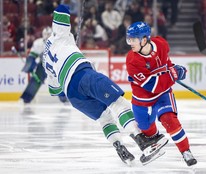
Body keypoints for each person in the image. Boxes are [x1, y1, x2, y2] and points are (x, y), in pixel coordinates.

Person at [42, 5, 168, 165]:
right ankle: (143, 142)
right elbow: (61, 9)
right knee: (119, 103)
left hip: (73, 95)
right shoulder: (59, 35)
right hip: (83, 75)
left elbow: (56, 91)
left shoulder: (46, 62)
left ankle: (120, 148)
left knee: (104, 117)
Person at [125, 21, 197, 166]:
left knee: (169, 120)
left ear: (144, 40)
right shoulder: (132, 60)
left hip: (163, 95)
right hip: (142, 99)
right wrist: (173, 75)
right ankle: (155, 140)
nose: (130, 42)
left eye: (133, 39)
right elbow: (153, 85)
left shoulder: (161, 44)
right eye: (129, 39)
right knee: (145, 128)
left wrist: (175, 69)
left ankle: (185, 151)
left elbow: (166, 63)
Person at [20, 26, 67, 104]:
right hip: (43, 66)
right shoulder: (38, 43)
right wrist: (30, 64)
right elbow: (32, 55)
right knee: (35, 80)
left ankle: (63, 97)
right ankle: (27, 97)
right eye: (46, 34)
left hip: (55, 66)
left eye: (49, 34)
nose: (47, 36)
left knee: (59, 80)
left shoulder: (57, 43)